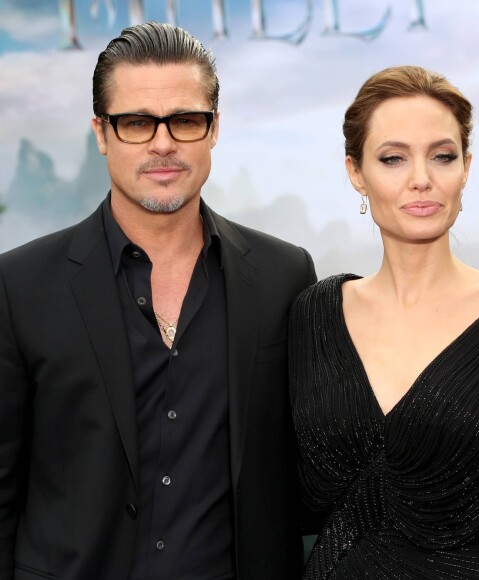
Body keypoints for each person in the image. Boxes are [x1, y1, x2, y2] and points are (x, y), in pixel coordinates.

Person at [0, 22, 316, 580]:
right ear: (101, 133)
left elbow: (320, 463)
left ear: (214, 129)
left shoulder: (284, 276)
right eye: (137, 122)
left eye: (186, 120)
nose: (163, 143)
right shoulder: (20, 285)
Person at [289, 65, 479, 578]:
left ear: (466, 167)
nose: (420, 178)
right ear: (356, 171)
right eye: (393, 158)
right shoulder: (313, 316)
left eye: (442, 156)